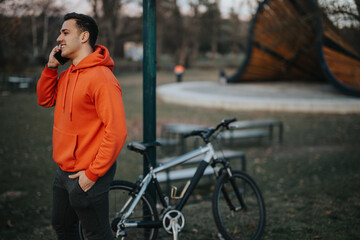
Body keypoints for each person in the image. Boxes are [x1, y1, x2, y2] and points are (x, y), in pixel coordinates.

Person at [37, 12, 127, 240]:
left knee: (96, 234)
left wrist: (92, 174)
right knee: (63, 228)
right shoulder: (66, 75)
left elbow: (116, 131)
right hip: (63, 170)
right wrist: (50, 67)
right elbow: (44, 99)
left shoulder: (102, 78)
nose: (59, 38)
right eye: (60, 33)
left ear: (84, 36)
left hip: (89, 173)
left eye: (65, 32)